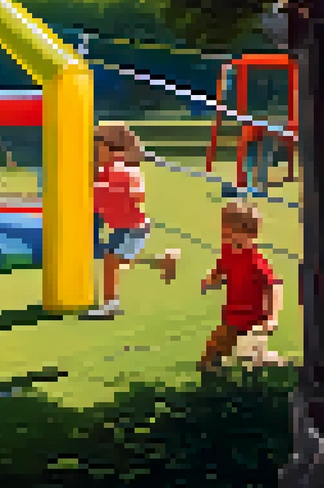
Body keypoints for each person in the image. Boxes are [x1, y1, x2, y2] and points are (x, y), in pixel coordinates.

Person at [84, 122, 178, 320]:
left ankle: (110, 305)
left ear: (111, 147)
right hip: (124, 228)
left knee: (111, 261)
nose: (94, 152)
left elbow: (136, 193)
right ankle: (163, 260)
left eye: (97, 146)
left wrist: (109, 192)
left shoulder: (121, 169)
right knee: (117, 261)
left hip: (133, 228)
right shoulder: (106, 170)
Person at [199, 201, 286, 370]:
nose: (226, 235)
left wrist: (272, 317)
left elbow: (274, 286)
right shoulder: (228, 250)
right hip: (233, 315)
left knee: (215, 353)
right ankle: (274, 363)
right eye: (225, 230)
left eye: (232, 232)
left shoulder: (255, 260)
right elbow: (222, 267)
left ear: (250, 235)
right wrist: (211, 280)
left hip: (252, 320)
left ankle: (279, 365)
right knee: (225, 354)